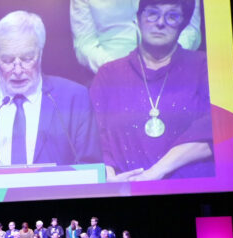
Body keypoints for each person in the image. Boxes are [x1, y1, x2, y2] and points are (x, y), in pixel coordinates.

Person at [0, 10, 102, 186]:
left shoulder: (74, 98)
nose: (17, 70)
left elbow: (91, 170)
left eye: (26, 58)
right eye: (7, 60)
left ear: (40, 53)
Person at [91, 0, 213, 182]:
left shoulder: (204, 67)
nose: (160, 22)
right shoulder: (109, 74)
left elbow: (215, 130)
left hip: (191, 190)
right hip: (125, 191)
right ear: (138, 19)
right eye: (152, 13)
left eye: (172, 16)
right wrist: (107, 180)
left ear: (184, 23)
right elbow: (95, 136)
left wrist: (156, 172)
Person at [70, 0, 202, 73]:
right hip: (112, 74)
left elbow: (191, 30)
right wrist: (117, 70)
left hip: (174, 69)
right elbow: (85, 45)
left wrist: (165, 61)